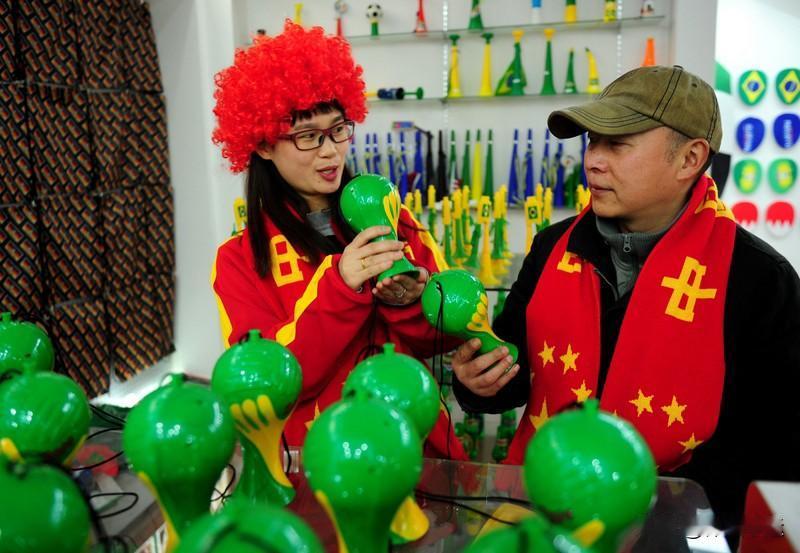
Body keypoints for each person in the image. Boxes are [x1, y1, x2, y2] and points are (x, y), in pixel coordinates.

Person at [451, 66, 800, 533]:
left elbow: (778, 453)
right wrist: (477, 382)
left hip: (679, 531)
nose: (593, 160)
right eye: (593, 141)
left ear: (689, 159)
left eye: (617, 144)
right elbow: (512, 377)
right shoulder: (552, 247)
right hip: (543, 513)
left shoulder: (759, 278)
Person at [210, 21, 465, 460]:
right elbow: (267, 382)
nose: (331, 151)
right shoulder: (238, 259)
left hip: (417, 448)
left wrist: (408, 301)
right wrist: (341, 285)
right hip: (319, 466)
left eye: (338, 129)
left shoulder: (393, 217)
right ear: (264, 145)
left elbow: (441, 338)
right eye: (308, 136)